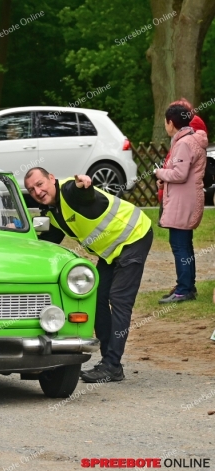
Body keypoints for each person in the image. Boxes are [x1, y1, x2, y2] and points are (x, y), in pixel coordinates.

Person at [24, 167, 153, 383]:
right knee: (98, 298)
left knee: (119, 299)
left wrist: (84, 185)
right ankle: (109, 362)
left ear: (52, 179)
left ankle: (112, 364)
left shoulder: (68, 191)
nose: (37, 191)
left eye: (40, 184)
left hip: (133, 235)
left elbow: (83, 193)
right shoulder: (52, 211)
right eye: (31, 189)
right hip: (112, 249)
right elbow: (47, 242)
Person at [154, 103, 208, 303]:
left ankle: (184, 289)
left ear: (171, 122)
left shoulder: (184, 143)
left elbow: (180, 174)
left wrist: (158, 172)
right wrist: (165, 178)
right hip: (186, 197)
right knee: (184, 244)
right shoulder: (190, 139)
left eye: (165, 121)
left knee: (180, 245)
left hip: (183, 200)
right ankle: (187, 286)